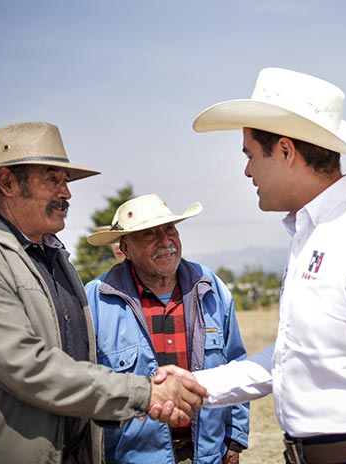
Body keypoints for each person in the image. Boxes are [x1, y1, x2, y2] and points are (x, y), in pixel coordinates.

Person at [156, 67, 346, 463]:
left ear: (286, 151)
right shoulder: (312, 233)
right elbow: (294, 354)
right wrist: (197, 384)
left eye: (251, 155)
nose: (247, 170)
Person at [0, 121, 206, 464]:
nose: (67, 193)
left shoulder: (56, 259)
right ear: (7, 182)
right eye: (53, 179)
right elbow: (28, 368)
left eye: (66, 181)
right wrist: (144, 392)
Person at [85, 193, 250, 464]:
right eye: (148, 234)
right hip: (132, 458)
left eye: (169, 229)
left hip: (206, 454)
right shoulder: (97, 299)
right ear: (124, 248)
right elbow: (85, 380)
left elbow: (235, 363)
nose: (165, 242)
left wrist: (235, 436)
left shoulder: (210, 287)